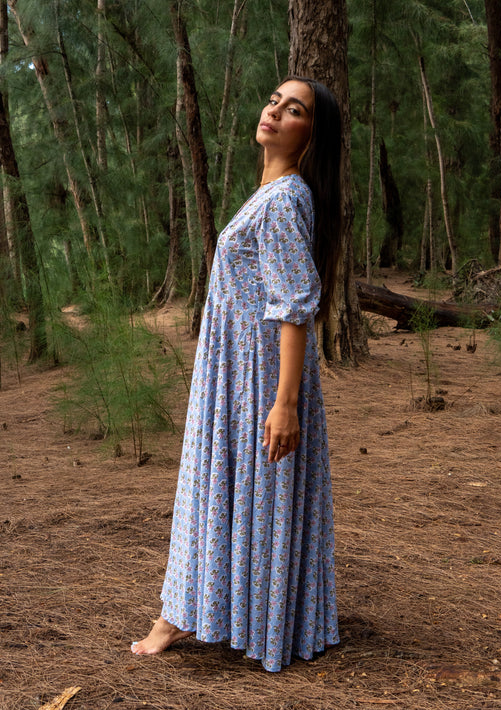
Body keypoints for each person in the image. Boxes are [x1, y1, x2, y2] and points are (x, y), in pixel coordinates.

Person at [132, 76, 342, 672]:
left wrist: (284, 402)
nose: (275, 111)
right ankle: (207, 612)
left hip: (257, 376)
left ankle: (196, 617)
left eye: (294, 108)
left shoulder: (284, 200)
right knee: (227, 490)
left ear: (311, 135)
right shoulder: (273, 194)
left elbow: (294, 303)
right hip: (235, 370)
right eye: (274, 99)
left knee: (245, 490)